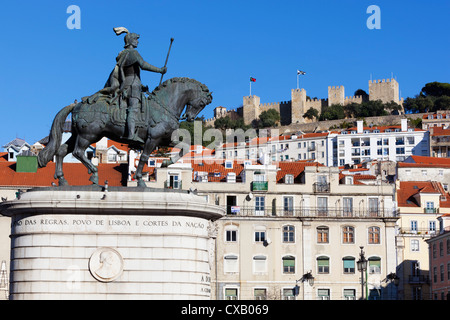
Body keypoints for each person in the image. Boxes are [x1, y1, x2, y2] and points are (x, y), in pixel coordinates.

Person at [104, 27, 167, 143]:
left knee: (131, 108)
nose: (137, 41)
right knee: (133, 109)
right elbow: (143, 65)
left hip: (129, 84)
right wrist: (160, 70)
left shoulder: (124, 54)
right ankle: (131, 134)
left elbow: (132, 73)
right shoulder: (133, 53)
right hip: (133, 87)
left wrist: (142, 86)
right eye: (136, 39)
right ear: (131, 41)